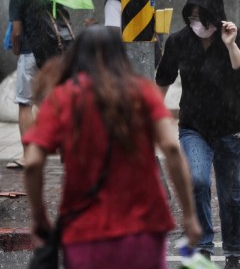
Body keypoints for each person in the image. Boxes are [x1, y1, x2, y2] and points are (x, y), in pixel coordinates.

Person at [22, 25, 201, 269]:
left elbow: (32, 162)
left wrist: (39, 216)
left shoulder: (63, 98)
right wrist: (189, 216)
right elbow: (171, 147)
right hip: (144, 229)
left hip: (85, 232)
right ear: (120, 55)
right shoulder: (142, 92)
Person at [156, 0, 240, 269]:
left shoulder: (234, 38)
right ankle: (203, 247)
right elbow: (163, 78)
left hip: (231, 127)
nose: (197, 23)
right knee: (197, 181)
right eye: (192, 16)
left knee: (231, 194)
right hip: (194, 127)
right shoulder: (178, 42)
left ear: (216, 15)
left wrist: (231, 44)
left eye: (202, 16)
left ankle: (234, 252)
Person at [6, 0, 51, 169]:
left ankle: (28, 156)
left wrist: (16, 49)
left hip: (30, 54)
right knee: (50, 102)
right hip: (51, 55)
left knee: (25, 104)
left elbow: (16, 32)